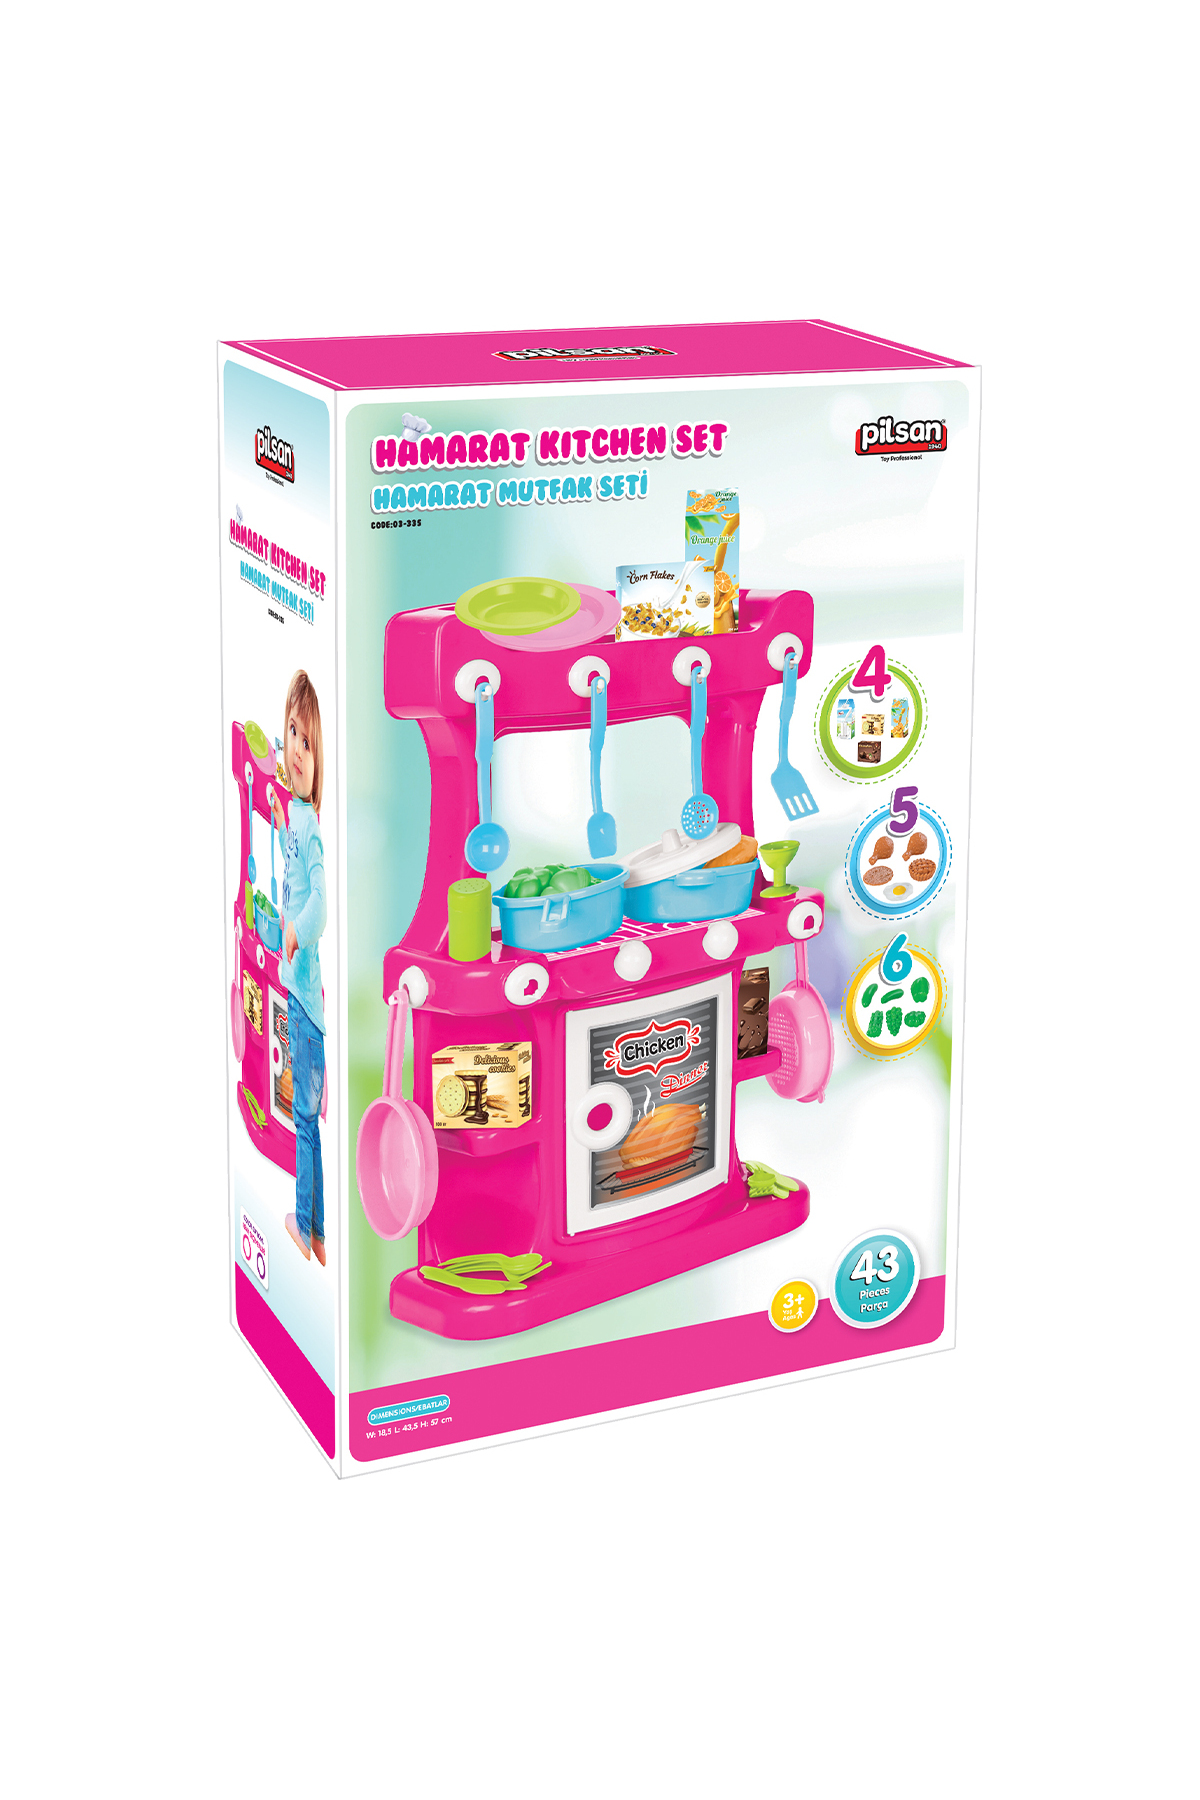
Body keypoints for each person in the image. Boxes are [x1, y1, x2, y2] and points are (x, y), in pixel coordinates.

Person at [269, 670, 328, 1265]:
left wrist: (294, 932)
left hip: (306, 1000)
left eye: (308, 743)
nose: (297, 752)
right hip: (301, 993)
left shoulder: (309, 824)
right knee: (307, 1118)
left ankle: (307, 1227)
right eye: (293, 734)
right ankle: (317, 1229)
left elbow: (320, 901)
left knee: (305, 1118)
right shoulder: (295, 815)